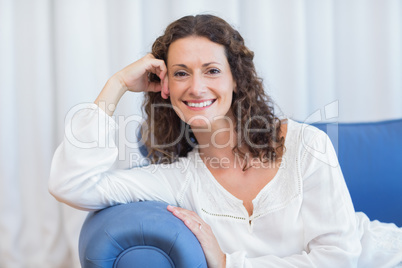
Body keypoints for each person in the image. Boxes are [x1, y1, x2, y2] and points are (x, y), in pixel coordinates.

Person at [49, 14, 402, 267]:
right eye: (181, 73)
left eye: (212, 70)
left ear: (237, 80)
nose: (196, 87)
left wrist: (227, 263)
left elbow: (340, 259)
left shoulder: (306, 145)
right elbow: (72, 185)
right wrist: (117, 85)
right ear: (165, 87)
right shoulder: (178, 179)